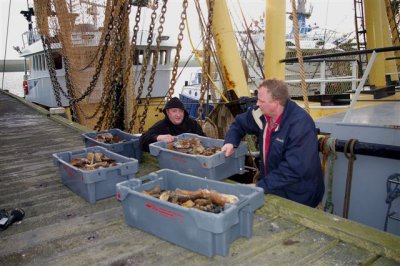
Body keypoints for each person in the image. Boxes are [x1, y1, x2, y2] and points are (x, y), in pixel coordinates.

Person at [221, 79, 324, 208]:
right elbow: (239, 123)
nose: (257, 104)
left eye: (261, 101)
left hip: (300, 197)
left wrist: (259, 186)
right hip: (274, 189)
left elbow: (293, 169)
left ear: (276, 103)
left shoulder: (300, 125)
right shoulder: (262, 114)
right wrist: (231, 142)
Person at [140, 97, 206, 152]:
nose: (178, 115)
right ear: (167, 112)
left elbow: (204, 138)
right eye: (174, 111)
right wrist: (157, 137)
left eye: (181, 111)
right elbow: (142, 140)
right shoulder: (161, 125)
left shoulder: (193, 124)